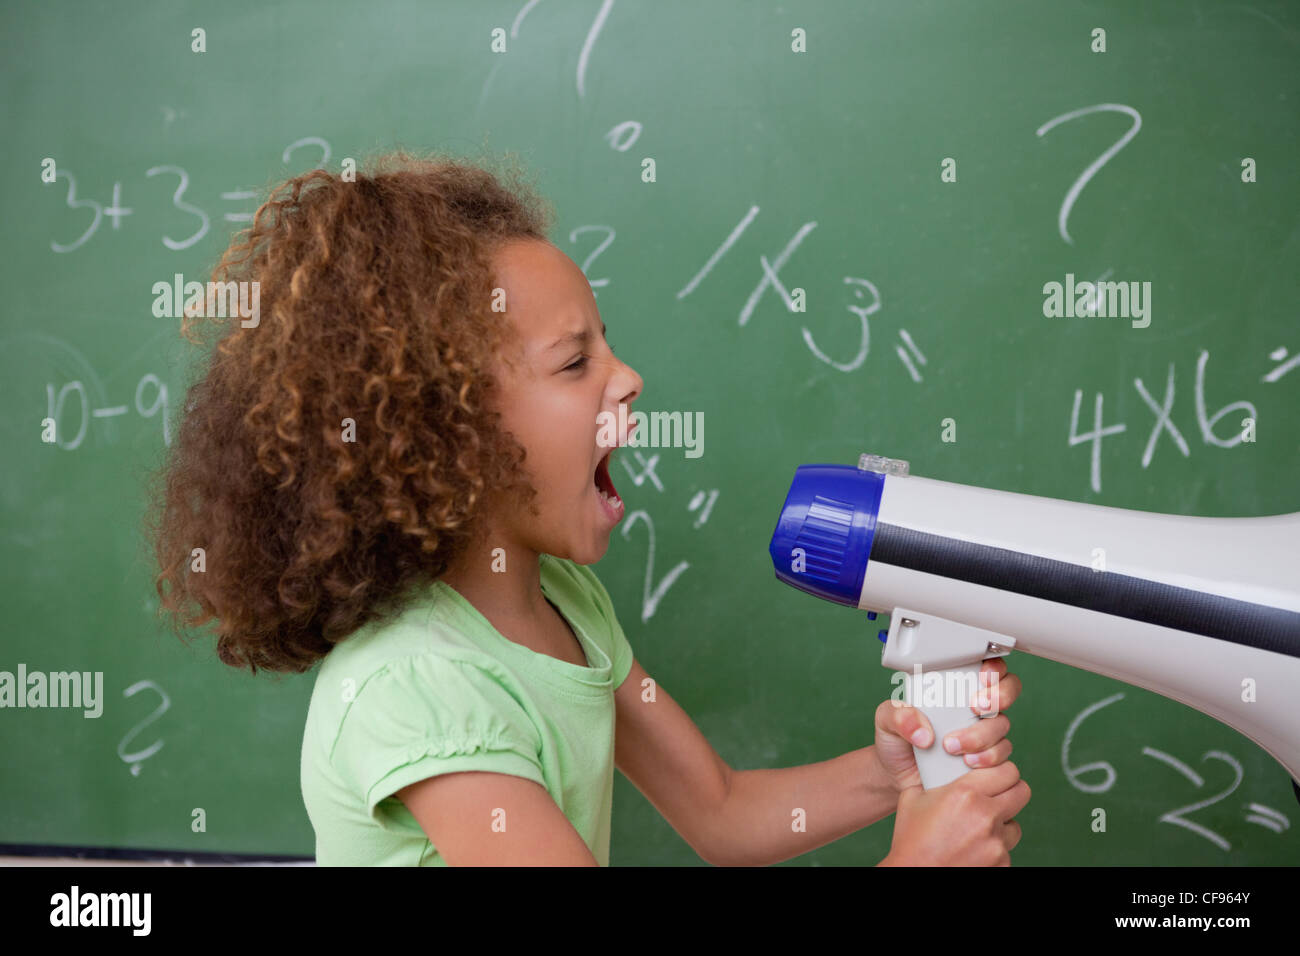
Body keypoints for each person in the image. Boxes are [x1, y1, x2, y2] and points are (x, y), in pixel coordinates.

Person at [150, 152, 1029, 866]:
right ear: (448, 432)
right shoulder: (416, 689)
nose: (628, 376)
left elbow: (723, 813)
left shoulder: (570, 609)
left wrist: (896, 774)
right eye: (575, 363)